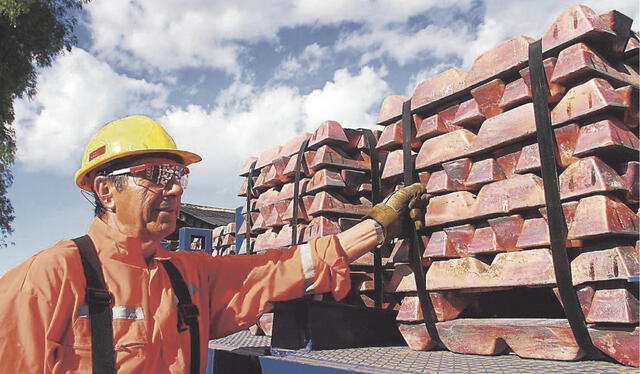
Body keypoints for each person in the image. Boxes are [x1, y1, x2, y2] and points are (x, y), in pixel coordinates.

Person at [0, 115, 427, 373]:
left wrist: (378, 227)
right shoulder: (48, 279)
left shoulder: (188, 275)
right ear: (106, 189)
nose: (173, 190)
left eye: (178, 177)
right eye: (155, 175)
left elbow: (280, 269)